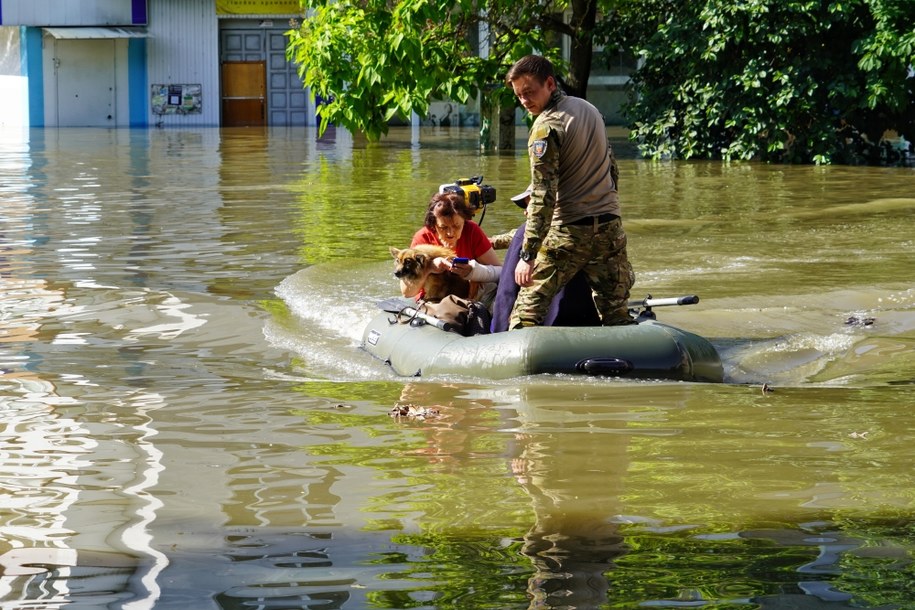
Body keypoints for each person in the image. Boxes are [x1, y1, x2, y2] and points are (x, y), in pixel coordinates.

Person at [505, 54, 635, 329]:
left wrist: (527, 256)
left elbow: (543, 194)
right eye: (519, 96)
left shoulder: (545, 126)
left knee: (526, 312)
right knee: (615, 313)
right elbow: (613, 170)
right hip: (609, 227)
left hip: (569, 229)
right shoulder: (590, 109)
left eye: (529, 92)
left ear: (550, 83)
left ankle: (522, 368)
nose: (525, 101)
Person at [490, 188, 600, 332]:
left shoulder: (525, 234)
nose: (525, 212)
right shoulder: (587, 231)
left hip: (542, 327)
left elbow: (507, 290)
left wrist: (498, 331)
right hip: (585, 325)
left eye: (529, 205)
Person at [410, 191, 502, 306]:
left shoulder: (472, 231)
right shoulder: (422, 238)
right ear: (433, 224)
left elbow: (501, 273)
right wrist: (430, 268)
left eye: (457, 226)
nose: (450, 233)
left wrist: (474, 272)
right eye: (443, 227)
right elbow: (407, 292)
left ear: (465, 221)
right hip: (433, 300)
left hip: (469, 297)